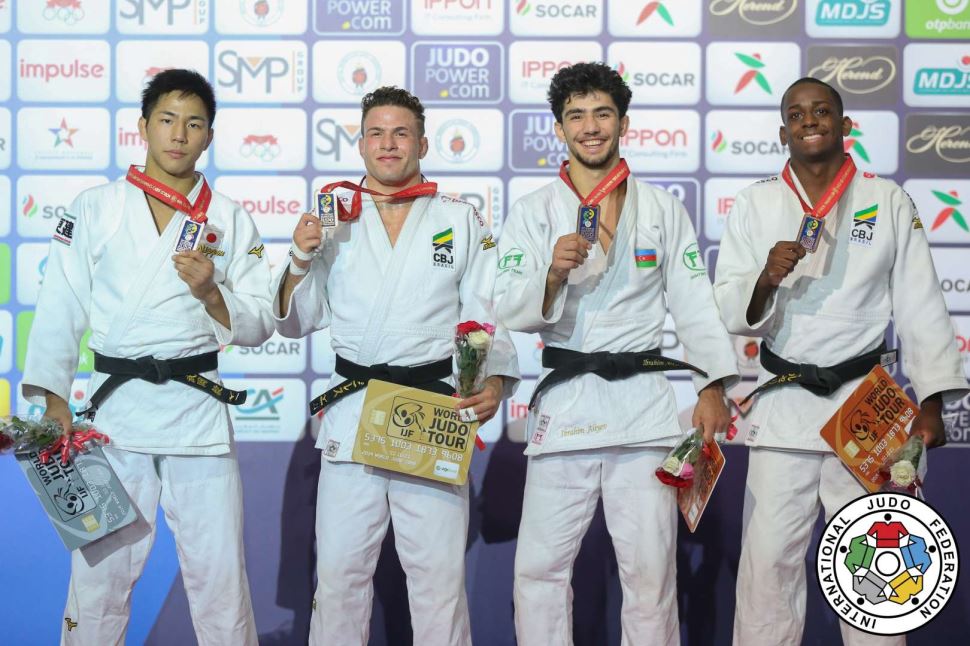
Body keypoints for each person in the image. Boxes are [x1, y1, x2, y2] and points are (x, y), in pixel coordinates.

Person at [713, 77, 969, 646]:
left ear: (844, 125)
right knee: (767, 569)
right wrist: (765, 279)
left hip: (867, 407)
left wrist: (930, 405)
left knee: (877, 569)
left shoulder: (888, 199)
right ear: (783, 132)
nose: (811, 120)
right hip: (785, 404)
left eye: (822, 110)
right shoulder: (756, 202)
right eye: (798, 114)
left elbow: (922, 303)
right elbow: (728, 306)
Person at [22, 68, 273, 645]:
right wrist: (55, 401)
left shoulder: (229, 217)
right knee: (100, 577)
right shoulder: (95, 207)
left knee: (220, 581)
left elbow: (260, 319)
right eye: (166, 120)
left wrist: (213, 292)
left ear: (209, 136)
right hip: (116, 419)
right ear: (143, 126)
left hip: (199, 416)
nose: (178, 135)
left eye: (193, 124)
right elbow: (61, 307)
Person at [495, 62, 738, 645]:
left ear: (623, 122)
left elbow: (695, 305)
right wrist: (552, 274)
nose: (590, 126)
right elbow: (507, 306)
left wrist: (712, 387)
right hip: (567, 406)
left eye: (602, 113)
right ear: (559, 128)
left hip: (642, 409)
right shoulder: (533, 212)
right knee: (538, 569)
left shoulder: (660, 209)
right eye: (576, 116)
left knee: (650, 574)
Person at [273, 86, 519, 646]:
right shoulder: (332, 216)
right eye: (376, 133)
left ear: (423, 142)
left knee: (437, 580)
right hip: (354, 411)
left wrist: (495, 381)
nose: (388, 144)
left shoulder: (460, 218)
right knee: (339, 578)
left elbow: (486, 312)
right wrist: (299, 257)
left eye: (401, 132)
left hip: (430, 409)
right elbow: (295, 320)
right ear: (360, 144)